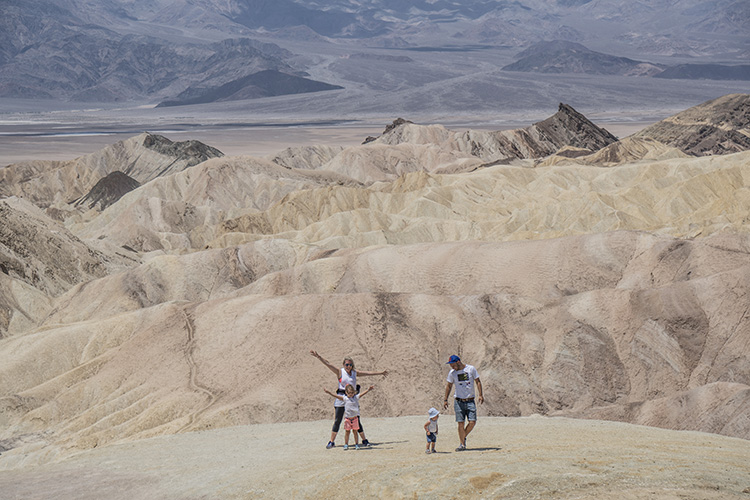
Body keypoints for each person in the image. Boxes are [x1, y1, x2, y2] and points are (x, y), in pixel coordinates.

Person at [310, 350, 388, 449]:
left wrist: (380, 373)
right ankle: (331, 441)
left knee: (356, 419)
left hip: (352, 398)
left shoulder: (355, 373)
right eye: (347, 364)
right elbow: (328, 364)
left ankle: (364, 440)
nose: (348, 366)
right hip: (341, 397)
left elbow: (368, 373)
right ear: (344, 364)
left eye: (350, 365)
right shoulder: (340, 372)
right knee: (337, 420)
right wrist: (318, 356)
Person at [443, 354, 484, 451]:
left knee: (472, 422)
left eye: (453, 365)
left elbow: (478, 381)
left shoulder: (471, 369)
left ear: (458, 362)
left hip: (470, 400)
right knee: (460, 423)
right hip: (458, 401)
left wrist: (480, 395)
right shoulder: (452, 373)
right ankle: (462, 444)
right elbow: (449, 386)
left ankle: (463, 436)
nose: (452, 367)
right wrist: (445, 399)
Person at [323, 384, 374, 450]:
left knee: (355, 432)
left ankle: (356, 444)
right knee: (347, 432)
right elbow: (336, 396)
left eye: (352, 393)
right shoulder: (345, 398)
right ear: (346, 393)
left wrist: (368, 390)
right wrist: (329, 392)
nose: (351, 394)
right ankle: (346, 444)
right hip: (347, 419)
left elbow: (362, 394)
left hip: (355, 418)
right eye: (349, 393)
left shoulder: (355, 397)